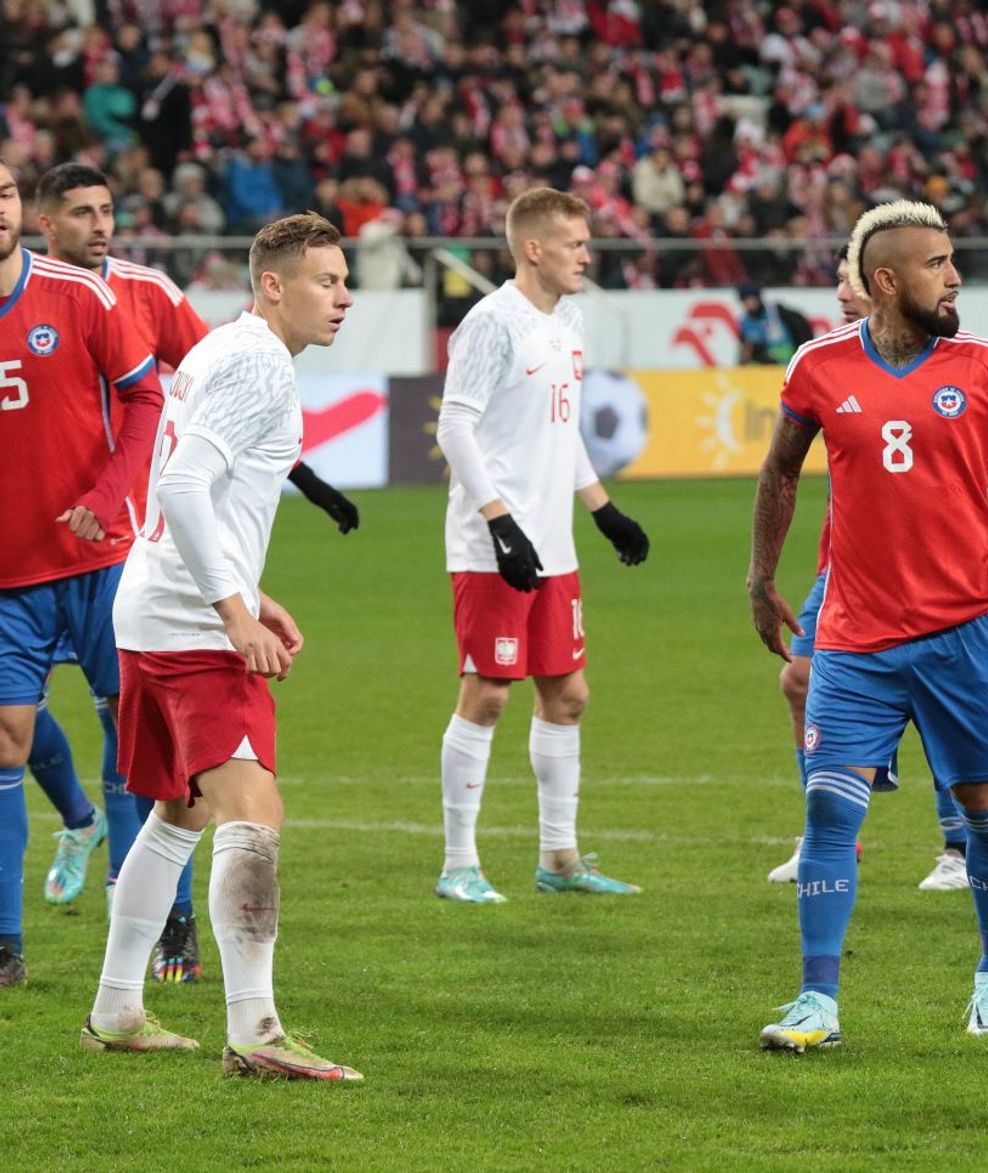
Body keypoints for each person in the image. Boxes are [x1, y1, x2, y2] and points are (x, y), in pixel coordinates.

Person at [747, 200, 988, 1049]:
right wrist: (761, 575)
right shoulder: (819, 366)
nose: (954, 277)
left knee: (983, 803)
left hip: (965, 631)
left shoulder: (984, 365)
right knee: (830, 811)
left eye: (951, 260)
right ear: (886, 280)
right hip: (855, 636)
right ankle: (817, 1002)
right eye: (936, 263)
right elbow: (780, 473)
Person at [28, 162, 361, 984]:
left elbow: (183, 487)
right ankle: (255, 1026)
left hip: (149, 606)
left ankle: (116, 1005)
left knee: (181, 811)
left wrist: (252, 592)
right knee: (254, 813)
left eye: (344, 281)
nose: (344, 297)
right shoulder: (259, 363)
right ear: (273, 286)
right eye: (326, 282)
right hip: (191, 622)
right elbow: (180, 485)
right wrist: (233, 613)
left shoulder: (220, 348)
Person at [433, 188, 650, 904]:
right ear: (534, 249)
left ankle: (560, 858)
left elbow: (562, 428)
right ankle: (458, 865)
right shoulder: (491, 322)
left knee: (568, 694)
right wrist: (499, 521)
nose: (586, 255)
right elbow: (455, 427)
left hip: (554, 544)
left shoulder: (571, 320)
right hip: (491, 545)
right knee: (489, 694)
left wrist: (604, 509)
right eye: (574, 243)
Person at [0, 161, 164, 989]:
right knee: (8, 734)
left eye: (1, 193)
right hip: (7, 576)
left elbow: (148, 396)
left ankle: (166, 921)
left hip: (99, 560)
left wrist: (108, 495)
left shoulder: (79, 295)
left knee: (134, 734)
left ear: (18, 208)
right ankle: (5, 942)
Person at [767, 246, 970, 893]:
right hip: (845, 569)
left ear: (882, 286)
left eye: (846, 281)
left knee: (935, 701)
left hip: (927, 572)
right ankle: (831, 836)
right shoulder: (827, 363)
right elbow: (783, 470)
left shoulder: (935, 361)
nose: (837, 293)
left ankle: (959, 847)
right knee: (798, 679)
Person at [737, 283, 812, 365]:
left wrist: (802, 355)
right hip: (766, 366)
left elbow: (802, 328)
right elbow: (747, 349)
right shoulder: (745, 322)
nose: (750, 302)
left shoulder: (776, 312)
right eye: (746, 299)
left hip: (788, 363)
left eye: (753, 298)